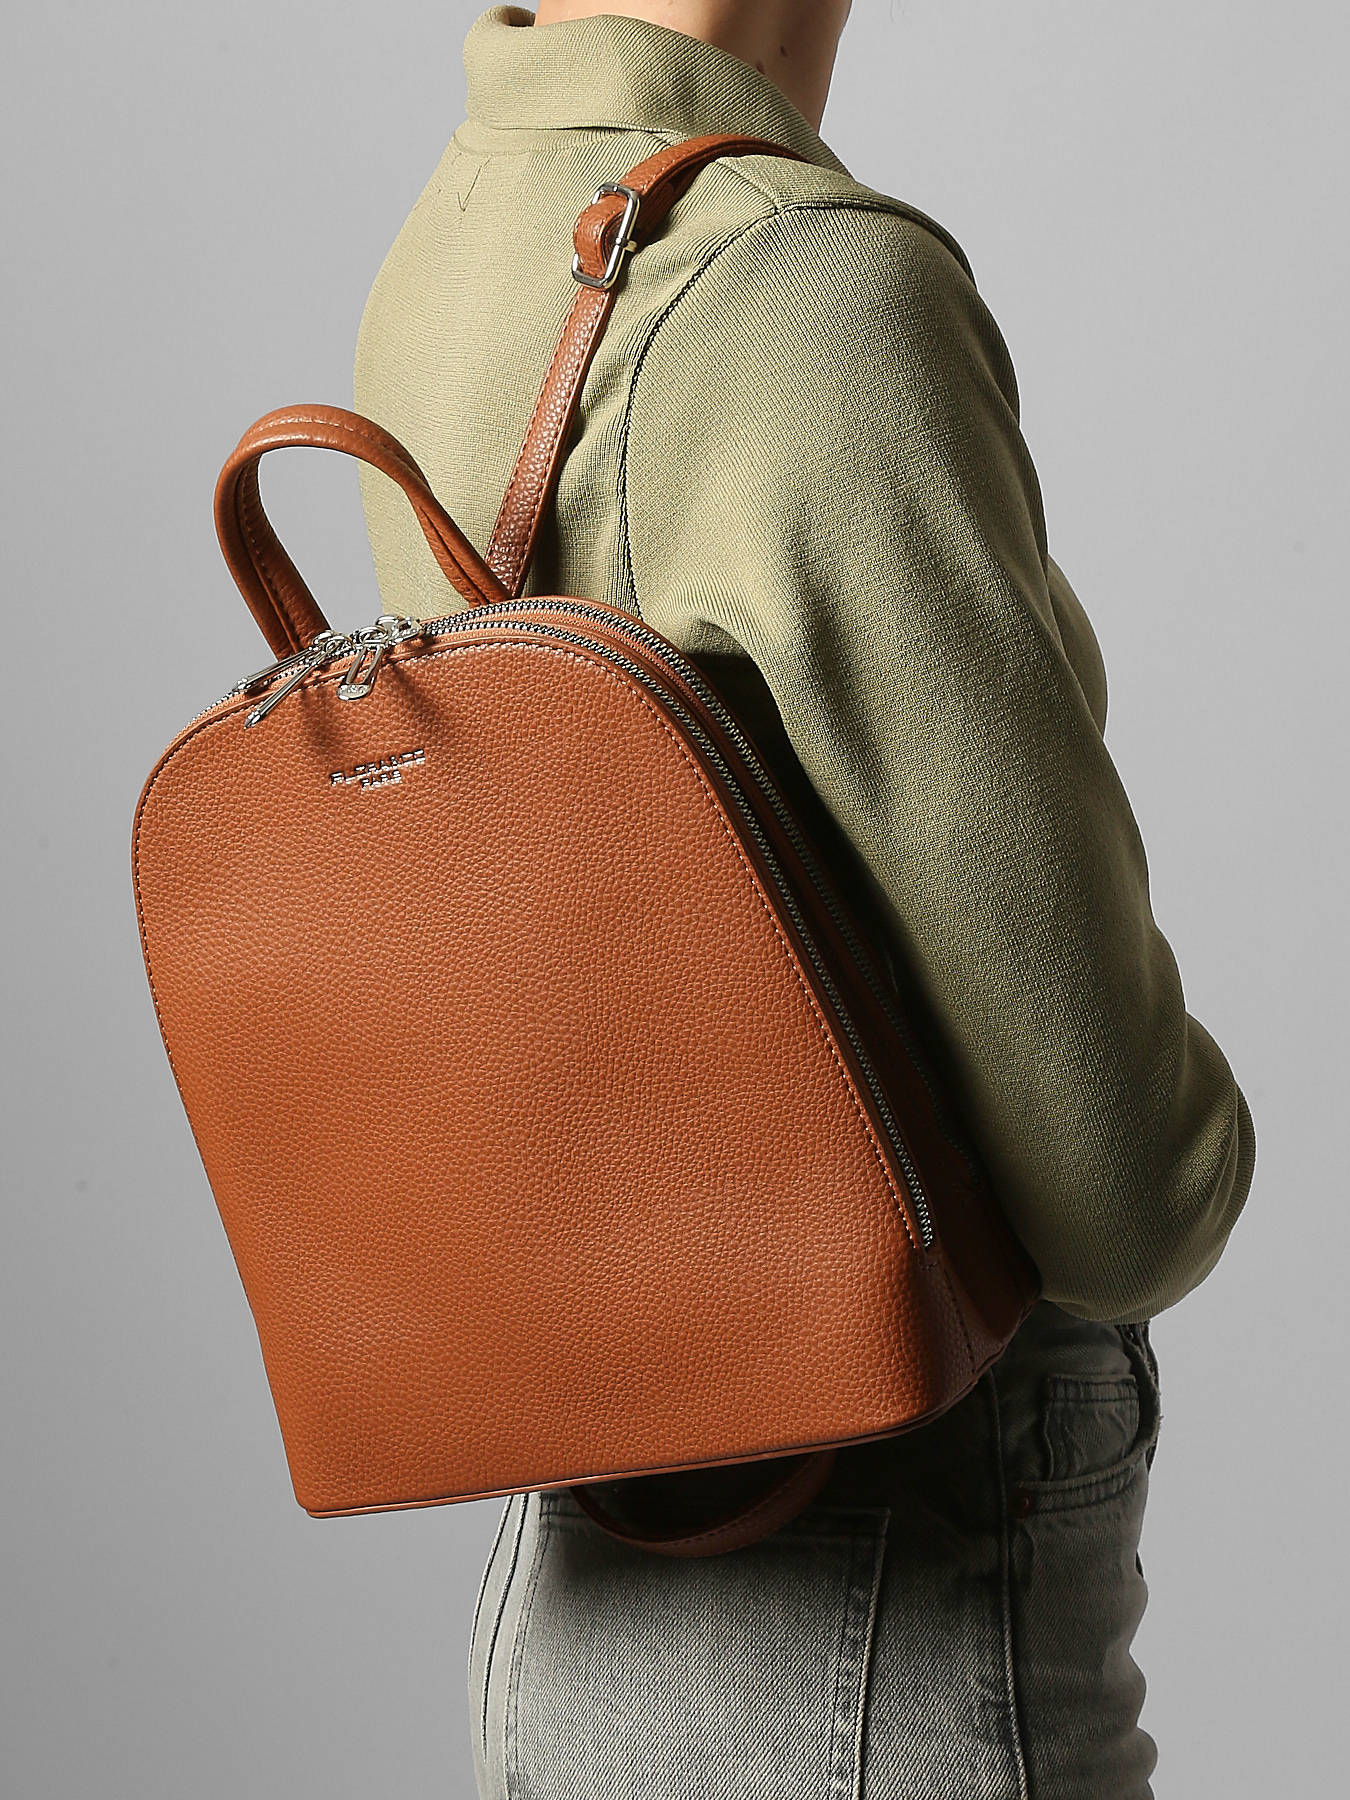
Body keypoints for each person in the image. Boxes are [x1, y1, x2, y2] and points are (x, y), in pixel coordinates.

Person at [353, 5, 1256, 1794]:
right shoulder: (798, 291)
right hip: (869, 1612)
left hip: (583, 1577)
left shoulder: (480, 200)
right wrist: (1196, 1148)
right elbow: (1121, 1201)